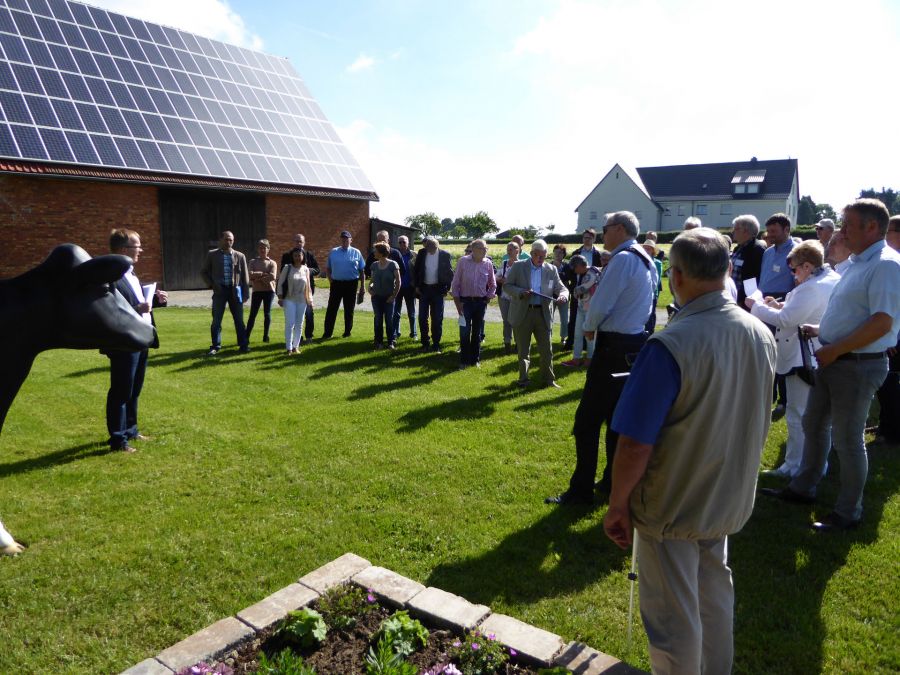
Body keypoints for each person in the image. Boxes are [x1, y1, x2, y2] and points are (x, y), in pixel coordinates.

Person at [603, 228, 776, 674]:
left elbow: (635, 443)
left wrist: (618, 504)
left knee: (672, 619)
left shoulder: (670, 344)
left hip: (674, 500)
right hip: (726, 492)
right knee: (713, 595)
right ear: (723, 272)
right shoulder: (759, 331)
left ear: (675, 277)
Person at [761, 199, 900, 532]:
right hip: (836, 357)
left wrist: (835, 348)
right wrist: (825, 332)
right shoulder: (855, 264)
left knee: (848, 440)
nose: (841, 231)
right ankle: (803, 488)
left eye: (848, 224)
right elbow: (854, 314)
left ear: (871, 227)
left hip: (855, 363)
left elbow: (882, 322)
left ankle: (848, 512)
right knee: (813, 422)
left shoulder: (885, 265)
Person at [546, 211, 657, 505]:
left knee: (586, 421)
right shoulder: (644, 258)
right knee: (615, 419)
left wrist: (589, 327)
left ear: (619, 229)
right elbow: (650, 304)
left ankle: (581, 490)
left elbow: (601, 302)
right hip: (633, 344)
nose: (603, 234)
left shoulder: (622, 259)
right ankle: (610, 481)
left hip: (613, 346)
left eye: (606, 229)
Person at [747, 241, 840, 477]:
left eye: (795, 269)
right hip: (817, 354)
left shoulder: (811, 287)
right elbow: (797, 311)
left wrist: (756, 305)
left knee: (798, 414)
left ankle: (795, 466)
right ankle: (811, 464)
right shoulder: (829, 279)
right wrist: (780, 305)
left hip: (803, 356)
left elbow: (787, 320)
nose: (793, 273)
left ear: (807, 266)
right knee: (814, 416)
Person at [104, 228, 167, 453]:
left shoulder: (130, 273)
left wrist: (156, 301)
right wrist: (136, 307)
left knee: (134, 390)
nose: (140, 249)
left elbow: (138, 302)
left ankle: (131, 430)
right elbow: (107, 309)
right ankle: (118, 439)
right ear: (123, 250)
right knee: (121, 391)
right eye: (136, 246)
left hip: (140, 338)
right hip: (123, 342)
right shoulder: (110, 276)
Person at [504, 239, 568, 388]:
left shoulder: (551, 269)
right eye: (538, 255)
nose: (540, 259)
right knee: (523, 351)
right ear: (531, 253)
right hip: (523, 313)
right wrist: (521, 293)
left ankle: (549, 380)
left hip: (543, 314)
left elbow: (562, 288)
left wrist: (563, 295)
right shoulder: (519, 266)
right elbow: (507, 286)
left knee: (547, 350)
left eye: (543, 256)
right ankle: (523, 379)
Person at [759, 214, 797, 417]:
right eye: (769, 231)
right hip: (764, 303)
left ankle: (784, 400)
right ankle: (768, 395)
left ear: (786, 230)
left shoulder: (796, 252)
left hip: (783, 304)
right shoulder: (768, 252)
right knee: (765, 349)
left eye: (774, 231)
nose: (770, 235)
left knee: (781, 352)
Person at [201, 230, 250, 355]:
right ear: (221, 240)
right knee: (216, 320)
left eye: (231, 240)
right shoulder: (212, 255)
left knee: (239, 320)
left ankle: (243, 345)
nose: (229, 242)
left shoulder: (240, 256)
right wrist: (211, 284)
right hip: (220, 291)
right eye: (227, 239)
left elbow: (245, 277)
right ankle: (215, 346)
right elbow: (203, 272)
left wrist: (246, 294)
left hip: (235, 292)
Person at [451, 239, 496, 368]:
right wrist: (457, 303)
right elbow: (455, 284)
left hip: (480, 303)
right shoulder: (463, 261)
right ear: (474, 249)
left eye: (486, 249)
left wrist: (488, 298)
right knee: (464, 332)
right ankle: (464, 361)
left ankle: (475, 360)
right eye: (483, 248)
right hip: (465, 302)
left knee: (477, 332)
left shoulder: (488, 263)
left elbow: (492, 284)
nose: (485, 251)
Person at [876, 215, 900, 443]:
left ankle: (892, 431)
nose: (885, 235)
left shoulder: (894, 263)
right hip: (890, 335)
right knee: (884, 385)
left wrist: (893, 337)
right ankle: (885, 424)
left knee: (890, 384)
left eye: (889, 230)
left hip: (893, 337)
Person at [322, 230, 366, 339]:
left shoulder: (357, 252)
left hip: (351, 284)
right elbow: (327, 268)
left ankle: (347, 332)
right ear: (340, 240)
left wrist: (363, 286)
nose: (344, 240)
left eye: (347, 238)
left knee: (349, 310)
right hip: (336, 284)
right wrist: (331, 280)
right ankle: (328, 333)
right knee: (332, 309)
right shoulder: (334, 252)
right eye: (343, 238)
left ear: (351, 240)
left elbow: (362, 271)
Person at [413, 235, 454, 353]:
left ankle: (436, 344)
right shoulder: (422, 253)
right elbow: (416, 270)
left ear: (437, 247)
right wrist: (416, 286)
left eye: (432, 250)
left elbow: (449, 273)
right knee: (422, 317)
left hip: (438, 290)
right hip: (424, 289)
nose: (429, 252)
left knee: (437, 318)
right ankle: (425, 343)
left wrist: (446, 289)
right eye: (427, 249)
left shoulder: (445, 255)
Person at [561, 254, 601, 368]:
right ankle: (576, 359)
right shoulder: (580, 274)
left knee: (589, 335)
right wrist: (576, 291)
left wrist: (576, 290)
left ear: (580, 265)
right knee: (578, 334)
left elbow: (582, 288)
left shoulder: (593, 273)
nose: (573, 270)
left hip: (591, 310)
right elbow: (577, 291)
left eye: (574, 267)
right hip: (581, 307)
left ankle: (590, 359)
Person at [567, 229, 604, 348]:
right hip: (577, 287)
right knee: (574, 318)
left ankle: (588, 347)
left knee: (590, 320)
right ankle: (571, 342)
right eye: (584, 237)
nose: (586, 240)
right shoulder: (576, 252)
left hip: (592, 293)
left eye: (589, 238)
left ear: (593, 239)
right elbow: (570, 271)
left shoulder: (598, 254)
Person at [281, 234, 320, 343]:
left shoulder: (309, 255)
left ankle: (309, 336)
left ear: (304, 243)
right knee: (293, 317)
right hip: (291, 292)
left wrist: (307, 270)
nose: (298, 243)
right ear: (294, 242)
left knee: (308, 314)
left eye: (300, 241)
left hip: (306, 291)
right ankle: (297, 339)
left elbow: (317, 270)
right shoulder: (287, 256)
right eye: (296, 241)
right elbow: (282, 272)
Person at [276, 247, 313, 354]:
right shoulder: (287, 268)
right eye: (295, 255)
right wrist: (280, 297)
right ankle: (288, 348)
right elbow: (280, 283)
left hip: (302, 300)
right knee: (290, 324)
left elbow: (308, 286)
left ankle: (296, 346)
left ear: (303, 257)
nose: (297, 257)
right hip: (289, 299)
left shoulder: (306, 269)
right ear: (292, 257)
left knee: (299, 324)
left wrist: (310, 300)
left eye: (299, 255)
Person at [368, 242, 401, 350]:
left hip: (388, 298)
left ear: (381, 253)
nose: (374, 252)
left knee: (389, 320)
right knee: (378, 319)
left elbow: (399, 282)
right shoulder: (374, 265)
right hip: (376, 297)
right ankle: (379, 342)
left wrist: (393, 296)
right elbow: (372, 281)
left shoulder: (393, 264)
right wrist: (369, 288)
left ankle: (391, 342)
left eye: (376, 251)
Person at [730, 214, 767, 308]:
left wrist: (742, 300)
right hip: (734, 298)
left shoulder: (757, 250)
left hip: (744, 302)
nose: (733, 231)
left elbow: (754, 278)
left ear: (746, 231)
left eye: (736, 228)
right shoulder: (738, 248)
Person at [247, 239, 277, 343]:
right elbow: (250, 274)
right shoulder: (253, 262)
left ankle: (266, 336)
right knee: (253, 314)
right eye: (260, 248)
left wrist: (257, 278)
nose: (262, 250)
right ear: (258, 249)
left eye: (264, 248)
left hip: (269, 291)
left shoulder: (272, 263)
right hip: (257, 291)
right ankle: (246, 336)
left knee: (267, 314)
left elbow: (273, 276)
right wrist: (262, 274)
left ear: (268, 249)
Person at [496, 241, 520, 354]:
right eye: (507, 249)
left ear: (517, 250)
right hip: (504, 297)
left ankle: (518, 343)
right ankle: (507, 343)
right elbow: (496, 277)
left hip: (516, 297)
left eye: (511, 249)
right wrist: (503, 280)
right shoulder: (504, 263)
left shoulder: (522, 264)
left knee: (515, 321)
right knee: (506, 321)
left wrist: (511, 283)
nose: (508, 252)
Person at [394, 235, 417, 341]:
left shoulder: (414, 255)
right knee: (396, 312)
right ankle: (396, 333)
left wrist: (415, 283)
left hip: (410, 287)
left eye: (404, 242)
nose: (402, 244)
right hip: (397, 287)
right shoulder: (395, 254)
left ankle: (414, 333)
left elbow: (418, 271)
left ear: (408, 242)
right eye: (400, 242)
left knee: (411, 312)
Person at [550, 244, 571, 344]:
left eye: (560, 253)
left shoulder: (567, 266)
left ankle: (563, 338)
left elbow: (569, 280)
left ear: (564, 254)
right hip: (550, 296)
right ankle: (547, 337)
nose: (558, 254)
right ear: (553, 253)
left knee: (564, 318)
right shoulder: (548, 266)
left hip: (563, 296)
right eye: (556, 252)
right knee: (549, 318)